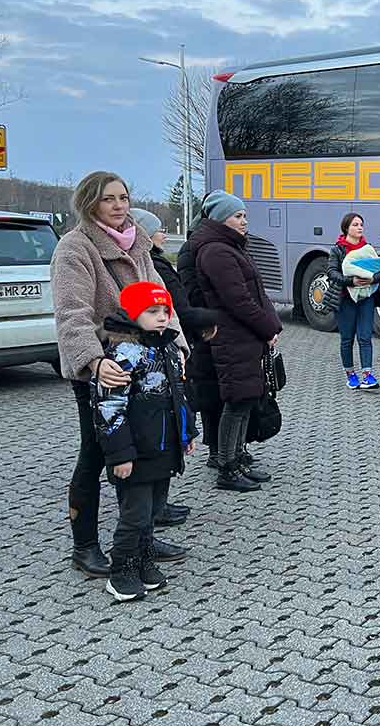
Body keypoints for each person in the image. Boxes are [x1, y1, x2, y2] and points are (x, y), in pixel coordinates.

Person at [51, 172, 189, 578]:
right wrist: (95, 361)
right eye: (108, 198)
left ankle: (142, 537)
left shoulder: (139, 245)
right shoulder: (75, 248)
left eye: (124, 197)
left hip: (150, 364)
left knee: (154, 449)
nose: (119, 205)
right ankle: (86, 546)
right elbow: (72, 314)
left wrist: (179, 346)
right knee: (97, 453)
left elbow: (164, 302)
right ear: (89, 202)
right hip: (105, 370)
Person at [92, 282, 198, 602]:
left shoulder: (166, 347)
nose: (162, 317)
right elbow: (109, 408)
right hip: (135, 452)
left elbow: (179, 397)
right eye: (152, 312)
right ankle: (121, 569)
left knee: (152, 512)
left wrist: (186, 434)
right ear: (133, 313)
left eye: (165, 311)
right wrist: (120, 454)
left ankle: (144, 561)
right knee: (134, 515)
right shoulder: (124, 354)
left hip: (163, 448)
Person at [189, 190, 283, 493]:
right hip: (233, 336)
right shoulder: (216, 251)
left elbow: (255, 293)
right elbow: (238, 300)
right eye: (238, 216)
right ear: (220, 218)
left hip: (245, 335)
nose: (244, 221)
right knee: (237, 401)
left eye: (244, 215)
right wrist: (268, 327)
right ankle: (227, 467)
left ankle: (238, 458)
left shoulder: (231, 247)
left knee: (246, 398)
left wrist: (269, 326)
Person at [131, 208, 219, 528]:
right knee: (160, 438)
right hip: (163, 356)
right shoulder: (152, 266)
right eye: (158, 229)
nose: (163, 234)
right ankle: (153, 511)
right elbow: (176, 306)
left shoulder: (157, 262)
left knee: (172, 431)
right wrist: (207, 322)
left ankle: (160, 505)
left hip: (174, 347)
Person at [177, 200, 227, 472]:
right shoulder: (193, 248)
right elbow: (191, 292)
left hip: (211, 324)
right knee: (210, 391)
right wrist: (207, 319)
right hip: (205, 330)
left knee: (218, 391)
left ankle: (225, 448)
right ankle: (216, 450)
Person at [325, 212, 380, 391]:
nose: (359, 228)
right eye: (355, 225)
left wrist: (372, 279)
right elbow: (331, 272)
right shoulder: (337, 250)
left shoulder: (368, 248)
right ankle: (350, 374)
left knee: (365, 336)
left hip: (366, 298)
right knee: (347, 338)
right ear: (346, 228)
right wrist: (351, 281)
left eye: (361, 225)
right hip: (345, 299)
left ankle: (367, 375)